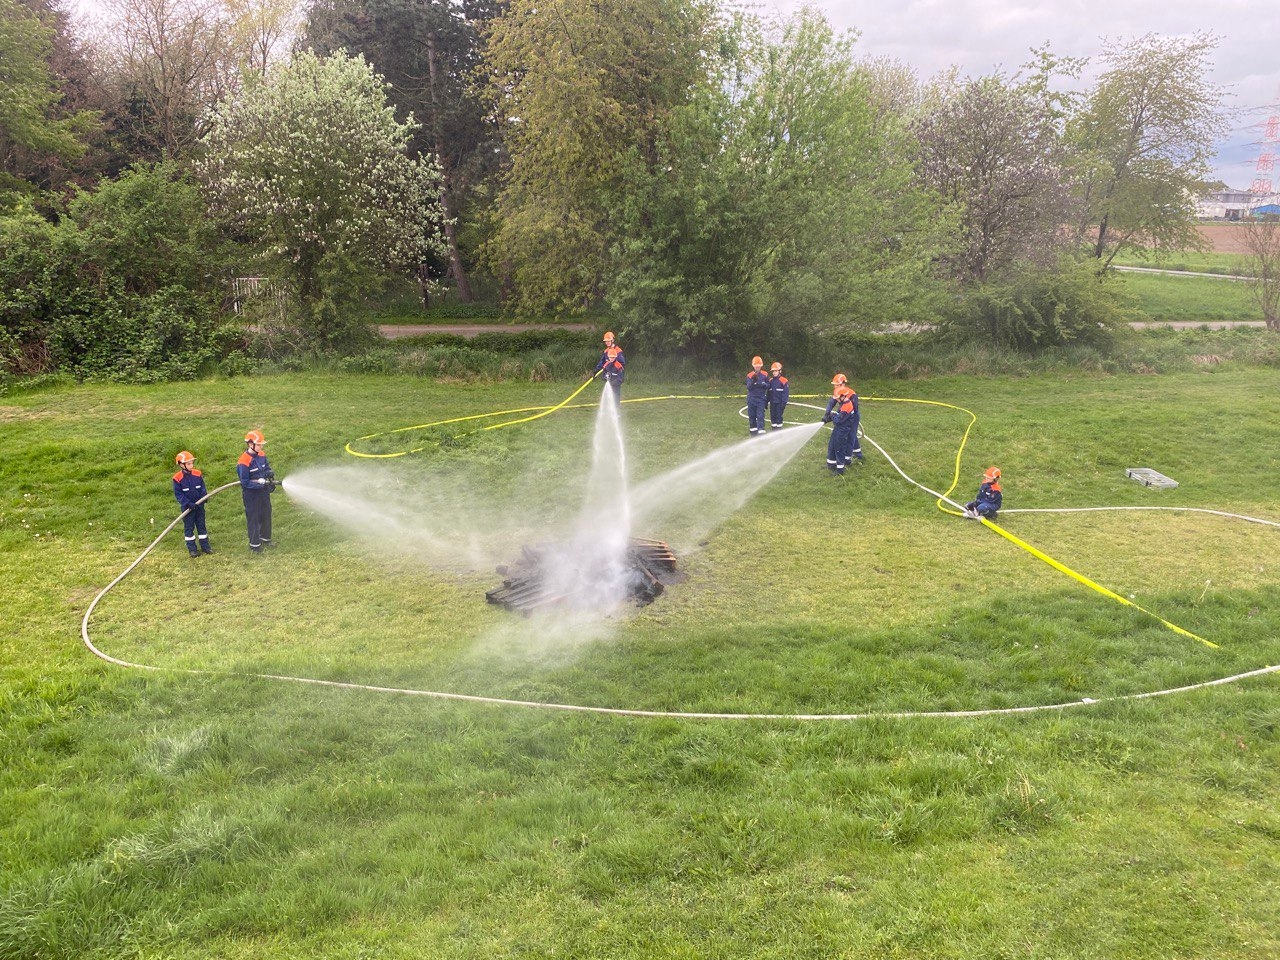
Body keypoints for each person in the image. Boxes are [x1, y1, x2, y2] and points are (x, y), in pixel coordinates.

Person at [237, 430, 277, 552]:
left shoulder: (262, 455)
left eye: (262, 444)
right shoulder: (243, 461)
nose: (261, 446)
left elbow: (267, 469)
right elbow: (245, 482)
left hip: (263, 492)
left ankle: (266, 539)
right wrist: (260, 485)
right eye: (259, 444)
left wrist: (269, 478)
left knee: (266, 513)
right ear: (250, 444)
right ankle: (255, 545)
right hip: (251, 494)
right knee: (253, 518)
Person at [172, 451, 213, 557]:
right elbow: (179, 495)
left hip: (199, 507)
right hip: (188, 509)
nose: (191, 465)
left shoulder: (197, 474)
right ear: (182, 465)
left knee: (201, 526)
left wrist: (204, 498)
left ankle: (205, 547)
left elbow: (202, 488)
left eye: (192, 463)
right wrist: (188, 503)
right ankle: (192, 549)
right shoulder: (177, 478)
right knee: (189, 528)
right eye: (189, 463)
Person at [823, 376, 863, 474]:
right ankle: (857, 454)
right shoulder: (838, 392)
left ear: (843, 384)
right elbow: (832, 402)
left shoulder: (852, 395)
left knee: (850, 436)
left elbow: (852, 410)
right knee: (844, 438)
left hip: (849, 417)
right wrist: (827, 413)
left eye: (836, 384)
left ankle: (847, 460)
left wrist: (838, 416)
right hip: (842, 415)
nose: (835, 387)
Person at [595, 331, 626, 400]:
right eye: (606, 341)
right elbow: (602, 362)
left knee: (615, 396)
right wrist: (596, 371)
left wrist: (619, 379)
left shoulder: (618, 351)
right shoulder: (606, 351)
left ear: (612, 340)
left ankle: (616, 409)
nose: (607, 343)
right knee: (608, 396)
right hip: (608, 377)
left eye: (608, 341)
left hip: (616, 378)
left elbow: (622, 365)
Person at [745, 356, 770, 434]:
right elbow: (748, 387)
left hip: (761, 398)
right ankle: (753, 432)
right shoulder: (749, 375)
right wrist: (753, 382)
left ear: (761, 366)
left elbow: (769, 385)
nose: (757, 368)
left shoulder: (765, 374)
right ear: (753, 366)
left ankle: (761, 431)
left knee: (760, 415)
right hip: (751, 398)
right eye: (756, 366)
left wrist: (763, 384)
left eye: (759, 366)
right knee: (752, 416)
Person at [766, 361, 790, 429]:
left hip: (780, 403)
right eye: (773, 371)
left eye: (776, 371)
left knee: (779, 417)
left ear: (780, 371)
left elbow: (785, 393)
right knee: (772, 417)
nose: (774, 372)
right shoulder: (770, 381)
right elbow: (768, 393)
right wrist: (766, 402)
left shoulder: (784, 381)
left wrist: (784, 403)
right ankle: (774, 430)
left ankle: (779, 431)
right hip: (772, 403)